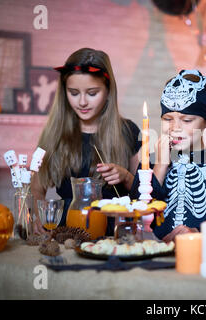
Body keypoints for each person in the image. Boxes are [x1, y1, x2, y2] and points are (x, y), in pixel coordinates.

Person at [31, 48, 141, 236]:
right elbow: (36, 188)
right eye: (73, 93)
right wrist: (36, 215)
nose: (82, 102)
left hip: (114, 234)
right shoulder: (53, 134)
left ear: (108, 91)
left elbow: (145, 194)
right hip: (66, 233)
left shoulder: (128, 131)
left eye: (92, 93)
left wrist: (127, 177)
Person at [131, 69, 206, 242]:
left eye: (186, 120)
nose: (175, 127)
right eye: (168, 119)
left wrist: (200, 235)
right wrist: (161, 166)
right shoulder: (148, 164)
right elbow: (134, 219)